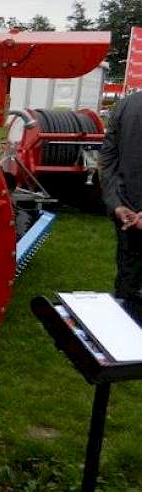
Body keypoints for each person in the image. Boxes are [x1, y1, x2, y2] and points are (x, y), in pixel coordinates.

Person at [101, 91, 142, 321]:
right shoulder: (126, 106)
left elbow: (106, 161)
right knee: (128, 286)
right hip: (128, 217)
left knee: (127, 288)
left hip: (126, 214)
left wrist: (116, 204)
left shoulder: (125, 105)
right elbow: (108, 158)